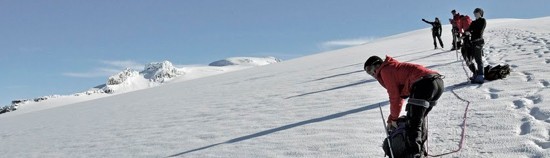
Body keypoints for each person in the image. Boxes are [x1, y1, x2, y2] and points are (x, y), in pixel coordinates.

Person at [364, 55, 444, 158]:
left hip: (423, 83)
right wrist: (391, 118)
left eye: (370, 69)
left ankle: (415, 154)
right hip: (437, 83)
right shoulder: (393, 67)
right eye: (368, 72)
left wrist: (393, 118)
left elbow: (395, 97)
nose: (371, 73)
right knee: (418, 120)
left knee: (413, 123)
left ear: (378, 64)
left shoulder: (385, 70)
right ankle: (420, 151)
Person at [462, 8, 486, 84]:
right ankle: (475, 73)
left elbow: (479, 31)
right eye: (474, 13)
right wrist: (463, 34)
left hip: (478, 42)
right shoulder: (473, 22)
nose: (475, 14)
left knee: (478, 59)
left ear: (481, 13)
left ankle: (480, 75)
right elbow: (468, 30)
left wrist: (470, 32)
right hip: (472, 43)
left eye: (477, 12)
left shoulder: (482, 21)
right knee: (469, 59)